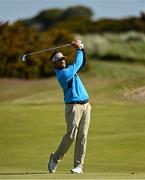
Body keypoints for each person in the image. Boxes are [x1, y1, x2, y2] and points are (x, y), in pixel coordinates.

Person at [48, 40, 91, 174]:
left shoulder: (69, 70)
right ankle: (55, 158)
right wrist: (79, 49)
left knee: (82, 136)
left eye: (63, 59)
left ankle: (79, 166)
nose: (62, 61)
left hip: (86, 106)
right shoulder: (63, 74)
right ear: (54, 64)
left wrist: (82, 50)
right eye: (59, 60)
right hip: (73, 107)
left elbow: (81, 64)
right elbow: (78, 64)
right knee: (71, 135)